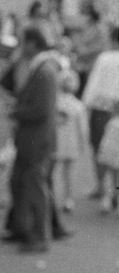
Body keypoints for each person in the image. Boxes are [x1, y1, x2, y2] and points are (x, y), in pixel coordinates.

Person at [2, 26, 63, 253]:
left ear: (32, 44)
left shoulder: (44, 71)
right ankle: (23, 229)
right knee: (21, 183)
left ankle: (38, 236)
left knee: (35, 187)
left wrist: (16, 111)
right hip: (31, 138)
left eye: (23, 42)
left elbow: (41, 109)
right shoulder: (41, 68)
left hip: (36, 139)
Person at [82, 26, 119, 202]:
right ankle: (115, 190)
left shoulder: (104, 58)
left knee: (99, 149)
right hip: (114, 110)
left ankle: (101, 186)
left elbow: (93, 84)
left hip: (101, 109)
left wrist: (85, 105)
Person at [52, 66, 89, 213]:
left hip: (56, 142)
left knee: (53, 171)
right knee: (68, 173)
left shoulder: (54, 103)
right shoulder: (79, 106)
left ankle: (53, 197)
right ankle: (68, 199)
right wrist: (82, 144)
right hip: (71, 143)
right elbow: (83, 129)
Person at [95, 101, 119, 214]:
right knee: (115, 181)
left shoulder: (112, 123)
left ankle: (106, 202)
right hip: (115, 156)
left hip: (110, 155)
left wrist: (101, 154)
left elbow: (106, 141)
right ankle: (113, 202)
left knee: (107, 179)